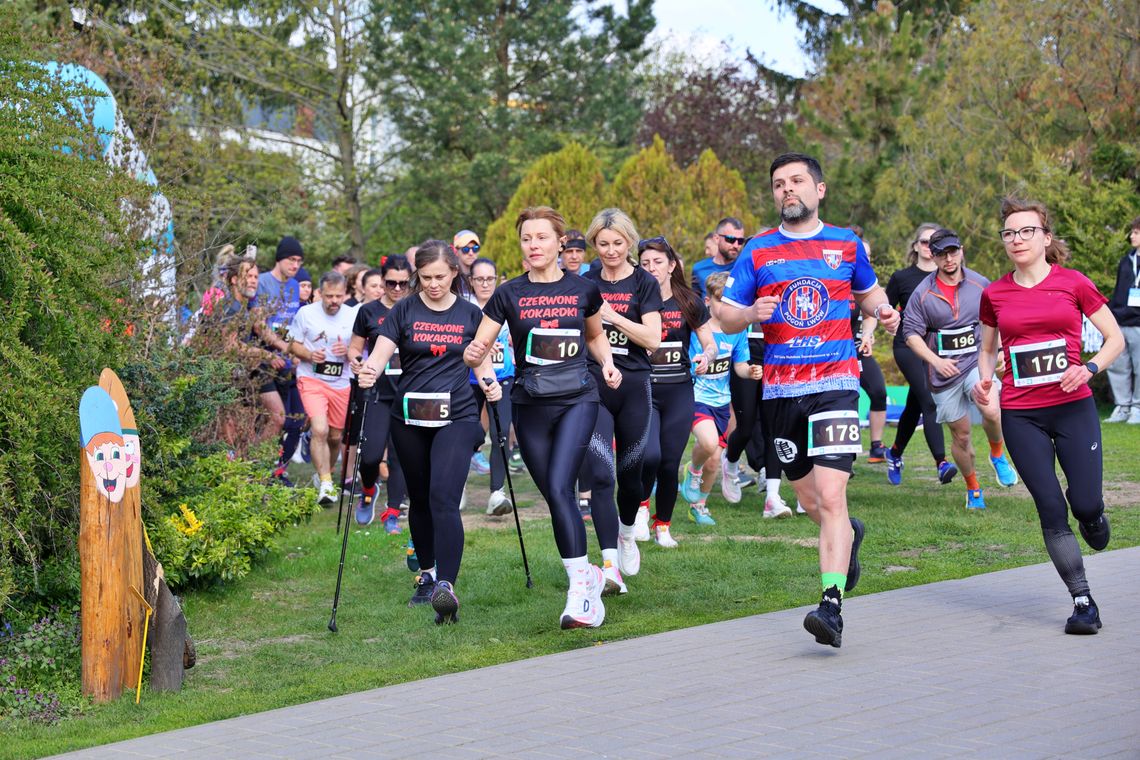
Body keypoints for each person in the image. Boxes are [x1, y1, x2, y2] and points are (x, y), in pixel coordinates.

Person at [720, 152, 900, 648]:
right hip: (780, 392)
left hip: (836, 385)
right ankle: (849, 537)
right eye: (779, 184)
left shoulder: (846, 244)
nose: (787, 190)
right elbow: (726, 316)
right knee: (810, 501)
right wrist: (751, 311)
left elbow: (868, 294)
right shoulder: (757, 251)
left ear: (819, 189)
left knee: (833, 496)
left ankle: (831, 606)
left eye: (797, 181)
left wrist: (884, 312)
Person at [465, 206, 621, 629]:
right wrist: (473, 356)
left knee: (559, 484)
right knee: (555, 496)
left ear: (558, 243)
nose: (533, 245)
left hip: (579, 398)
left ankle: (581, 595)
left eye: (541, 238)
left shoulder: (583, 289)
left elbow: (593, 335)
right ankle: (585, 574)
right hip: (530, 401)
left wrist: (606, 363)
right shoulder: (507, 293)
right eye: (526, 239)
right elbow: (478, 345)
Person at [974, 198, 1123, 634]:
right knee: (1051, 508)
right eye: (1009, 233)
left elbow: (1114, 339)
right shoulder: (994, 293)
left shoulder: (1074, 283)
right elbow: (987, 350)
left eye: (1026, 231)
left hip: (1073, 408)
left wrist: (1089, 368)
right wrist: (986, 381)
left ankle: (1094, 517)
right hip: (1021, 414)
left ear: (1046, 237)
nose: (1016, 239)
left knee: (1084, 503)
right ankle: (1083, 602)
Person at [358, 241, 499, 625]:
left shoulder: (471, 314)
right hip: (410, 416)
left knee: (442, 497)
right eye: (425, 278)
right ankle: (428, 575)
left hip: (458, 414)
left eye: (440, 276)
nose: (433, 284)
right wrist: (369, 370)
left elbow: (482, 361)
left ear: (455, 272)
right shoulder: (404, 309)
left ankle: (446, 588)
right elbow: (381, 353)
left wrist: (490, 383)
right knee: (419, 499)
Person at [902, 227, 1018, 510]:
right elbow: (910, 334)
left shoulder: (981, 285)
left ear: (961, 251)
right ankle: (973, 487)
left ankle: (997, 453)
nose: (949, 259)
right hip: (943, 373)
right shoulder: (923, 293)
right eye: (942, 254)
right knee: (962, 435)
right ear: (933, 255)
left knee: (990, 407)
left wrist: (1000, 350)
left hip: (976, 362)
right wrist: (936, 360)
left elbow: (998, 320)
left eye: (953, 252)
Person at [581, 208, 662, 596]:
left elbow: (652, 339)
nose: (610, 251)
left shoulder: (644, 282)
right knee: (600, 475)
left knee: (633, 472)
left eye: (617, 243)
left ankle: (628, 532)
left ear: (629, 242)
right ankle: (609, 564)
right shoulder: (584, 280)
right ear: (593, 244)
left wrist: (612, 316)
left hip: (634, 383)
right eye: (602, 244)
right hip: (594, 384)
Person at [638, 236, 716, 547]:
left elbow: (709, 343)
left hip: (679, 390)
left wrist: (705, 357)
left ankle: (664, 526)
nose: (651, 268)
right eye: (644, 264)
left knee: (670, 462)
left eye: (657, 262)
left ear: (672, 265)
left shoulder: (689, 301)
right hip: (645, 389)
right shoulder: (635, 300)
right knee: (650, 456)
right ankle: (641, 508)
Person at [876, 224, 956, 486]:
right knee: (929, 399)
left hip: (937, 346)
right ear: (916, 246)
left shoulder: (949, 277)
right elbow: (882, 307)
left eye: (933, 243)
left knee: (915, 403)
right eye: (924, 242)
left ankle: (895, 452)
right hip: (907, 346)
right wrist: (885, 321)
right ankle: (942, 463)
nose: (928, 247)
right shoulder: (902, 277)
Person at [679, 272, 758, 525]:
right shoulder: (695, 331)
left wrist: (751, 371)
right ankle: (692, 469)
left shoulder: (737, 331)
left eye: (731, 302)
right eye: (721, 300)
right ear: (707, 301)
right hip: (695, 397)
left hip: (721, 402)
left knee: (713, 462)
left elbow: (739, 366)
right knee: (709, 443)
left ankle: (699, 506)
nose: (725, 307)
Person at [349, 259, 413, 531]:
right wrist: (355, 361)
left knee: (401, 456)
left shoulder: (417, 309)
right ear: (382, 281)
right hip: (378, 392)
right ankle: (367, 490)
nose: (397, 288)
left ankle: (392, 513)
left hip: (409, 393)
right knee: (372, 455)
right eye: (391, 283)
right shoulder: (368, 311)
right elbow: (354, 347)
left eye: (403, 283)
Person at [287, 271, 359, 505]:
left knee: (336, 437)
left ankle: (324, 474)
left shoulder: (353, 315)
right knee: (320, 430)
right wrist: (309, 354)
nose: (334, 301)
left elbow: (360, 349)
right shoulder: (306, 313)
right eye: (329, 296)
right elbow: (293, 344)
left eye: (338, 296)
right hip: (312, 379)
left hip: (341, 383)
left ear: (346, 294)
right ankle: (327, 484)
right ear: (320, 293)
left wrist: (347, 353)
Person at [468, 257, 518, 515]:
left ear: (497, 279)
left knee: (502, 432)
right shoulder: (465, 308)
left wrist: (513, 340)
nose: (485, 284)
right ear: (471, 281)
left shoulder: (507, 303)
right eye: (480, 279)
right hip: (469, 380)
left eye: (490, 278)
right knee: (469, 433)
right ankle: (458, 485)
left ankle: (496, 493)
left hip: (503, 378)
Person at [258, 236, 307, 486]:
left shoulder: (295, 286)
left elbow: (293, 322)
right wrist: (283, 348)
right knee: (273, 418)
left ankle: (277, 471)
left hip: (287, 360)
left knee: (293, 419)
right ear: (280, 258)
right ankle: (258, 467)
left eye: (299, 260)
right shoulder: (263, 282)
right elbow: (259, 325)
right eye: (291, 259)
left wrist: (294, 352)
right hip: (263, 359)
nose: (295, 264)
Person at [1106, 217, 1140, 423]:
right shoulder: (1126, 260)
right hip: (1121, 321)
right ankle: (1122, 406)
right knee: (1118, 366)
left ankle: (1137, 407)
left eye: (1136, 232)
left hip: (1139, 324)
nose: (1131, 236)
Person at [691, 217, 746, 298]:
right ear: (716, 238)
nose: (736, 245)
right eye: (730, 239)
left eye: (740, 241)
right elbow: (695, 304)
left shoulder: (746, 267)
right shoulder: (699, 269)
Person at [453, 229, 481, 301]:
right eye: (465, 249)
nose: (471, 253)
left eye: (475, 248)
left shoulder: (484, 276)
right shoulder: (450, 277)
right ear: (456, 251)